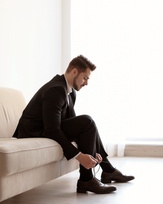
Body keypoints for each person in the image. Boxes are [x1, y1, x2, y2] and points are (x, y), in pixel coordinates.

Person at [13, 55, 134, 194]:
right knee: (87, 121)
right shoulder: (56, 89)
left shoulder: (70, 92)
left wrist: (94, 153)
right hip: (32, 132)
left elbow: (75, 125)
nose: (86, 82)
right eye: (85, 77)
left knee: (87, 123)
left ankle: (106, 170)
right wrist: (79, 156)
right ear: (74, 72)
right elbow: (52, 129)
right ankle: (88, 179)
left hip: (47, 127)